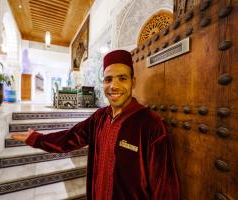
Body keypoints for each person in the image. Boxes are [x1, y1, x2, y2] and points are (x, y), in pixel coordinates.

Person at [11, 49, 180, 200]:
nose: (114, 86)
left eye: (122, 78)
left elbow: (164, 186)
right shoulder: (99, 118)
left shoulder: (150, 123)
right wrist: (36, 138)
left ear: (133, 82)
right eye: (108, 79)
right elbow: (70, 138)